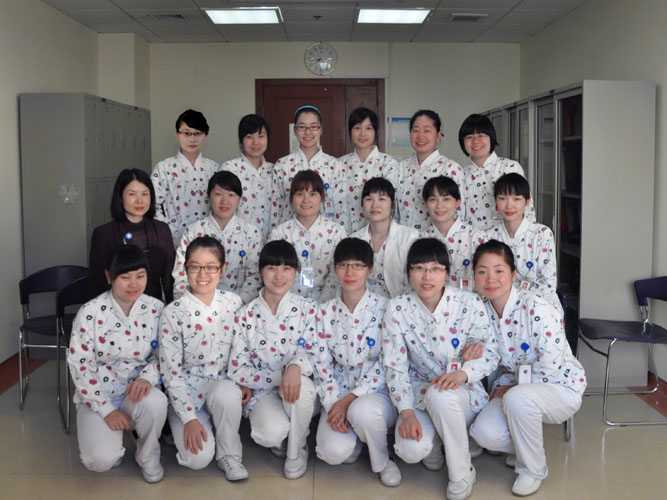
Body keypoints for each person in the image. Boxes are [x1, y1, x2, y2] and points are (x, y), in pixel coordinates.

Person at [382, 238, 499, 500]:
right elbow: (394, 365)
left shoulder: (469, 303)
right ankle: (435, 447)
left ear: (446, 272)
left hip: (463, 393)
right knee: (410, 450)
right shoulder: (397, 309)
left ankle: (461, 472)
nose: (427, 276)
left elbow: (491, 354)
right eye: (419, 268)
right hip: (418, 392)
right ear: (409, 272)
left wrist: (462, 374)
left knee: (440, 395)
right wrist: (406, 412)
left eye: (435, 269)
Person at [468, 240, 586, 497]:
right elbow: (490, 356)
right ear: (474, 276)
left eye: (499, 270)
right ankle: (526, 447)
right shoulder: (481, 313)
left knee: (518, 398)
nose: (491, 278)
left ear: (513, 274)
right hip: (514, 387)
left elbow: (552, 363)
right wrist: (470, 357)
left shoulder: (536, 306)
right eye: (482, 271)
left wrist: (514, 388)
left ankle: (533, 469)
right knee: (483, 433)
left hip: (560, 386)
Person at [67, 245, 167, 483]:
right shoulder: (90, 312)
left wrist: (147, 377)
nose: (134, 284)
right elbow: (80, 365)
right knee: (100, 461)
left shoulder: (157, 309)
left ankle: (148, 455)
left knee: (156, 402)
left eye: (140, 276)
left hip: (136, 391)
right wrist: (106, 409)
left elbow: (166, 355)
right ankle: (113, 446)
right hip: (98, 394)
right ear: (109, 276)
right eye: (125, 277)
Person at [228, 240, 319, 480]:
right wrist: (280, 377)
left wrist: (295, 367)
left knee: (300, 388)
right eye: (271, 268)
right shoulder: (245, 315)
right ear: (261, 270)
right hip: (263, 392)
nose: (279, 276)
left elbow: (317, 353)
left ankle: (296, 449)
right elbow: (237, 368)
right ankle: (284, 436)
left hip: (300, 387)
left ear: (296, 271)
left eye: (286, 268)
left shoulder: (309, 309)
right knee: (270, 433)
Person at [314, 238, 402, 487]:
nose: (350, 272)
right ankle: (359, 439)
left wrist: (350, 400)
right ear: (335, 269)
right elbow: (321, 364)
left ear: (370, 269)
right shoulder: (324, 312)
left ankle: (383, 460)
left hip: (376, 392)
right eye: (343, 265)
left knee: (362, 411)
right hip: (338, 391)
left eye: (357, 266)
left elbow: (388, 361)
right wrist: (334, 404)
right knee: (332, 452)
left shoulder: (386, 308)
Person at [159, 236, 248, 480]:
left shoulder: (233, 303)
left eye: (211, 267)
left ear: (223, 269)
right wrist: (188, 418)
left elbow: (243, 350)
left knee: (227, 393)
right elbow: (170, 372)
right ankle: (185, 425)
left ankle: (230, 454)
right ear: (185, 268)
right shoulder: (173, 313)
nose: (202, 274)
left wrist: (245, 381)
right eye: (195, 267)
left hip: (223, 386)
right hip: (187, 392)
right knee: (196, 459)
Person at [172, 171, 262, 304]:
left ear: (239, 199)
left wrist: (237, 305)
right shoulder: (193, 231)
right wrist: (195, 305)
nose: (225, 201)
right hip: (197, 306)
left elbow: (255, 276)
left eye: (231, 195)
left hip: (239, 307)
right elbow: (181, 274)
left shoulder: (251, 233)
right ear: (209, 196)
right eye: (218, 194)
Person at [88, 168, 175, 303]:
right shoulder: (103, 234)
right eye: (132, 194)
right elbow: (98, 283)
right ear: (120, 197)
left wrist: (172, 308)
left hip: (153, 307)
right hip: (116, 308)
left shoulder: (162, 230)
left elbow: (169, 277)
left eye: (145, 194)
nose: (140, 200)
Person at [484, 173, 560, 313]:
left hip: (537, 306)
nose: (509, 205)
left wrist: (514, 304)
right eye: (502, 198)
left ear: (527, 201)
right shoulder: (488, 237)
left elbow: (547, 285)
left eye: (516, 199)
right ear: (495, 202)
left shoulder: (542, 234)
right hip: (498, 305)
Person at [268, 170, 346, 302]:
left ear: (322, 198)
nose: (306, 200)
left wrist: (321, 306)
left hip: (327, 304)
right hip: (287, 302)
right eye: (299, 194)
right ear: (291, 198)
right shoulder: (279, 233)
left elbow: (337, 275)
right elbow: (271, 272)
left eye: (312, 194)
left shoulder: (337, 233)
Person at [151, 109, 220, 246]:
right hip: (174, 239)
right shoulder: (164, 168)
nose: (192, 139)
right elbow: (152, 204)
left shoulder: (214, 168)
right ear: (178, 134)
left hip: (209, 239)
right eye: (187, 133)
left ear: (205, 135)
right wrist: (167, 230)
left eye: (197, 133)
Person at [271, 105, 345, 227]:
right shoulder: (282, 165)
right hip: (290, 233)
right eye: (302, 127)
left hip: (326, 234)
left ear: (321, 129)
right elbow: (276, 209)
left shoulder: (336, 166)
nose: (308, 132)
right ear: (295, 130)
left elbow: (341, 210)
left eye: (313, 126)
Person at [458, 114, 535, 231]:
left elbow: (527, 209)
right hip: (471, 240)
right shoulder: (460, 175)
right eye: (469, 137)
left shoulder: (509, 167)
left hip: (506, 238)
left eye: (481, 135)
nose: (475, 141)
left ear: (491, 137)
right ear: (463, 142)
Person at [396, 110, 465, 231]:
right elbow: (394, 212)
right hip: (403, 239)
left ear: (438, 136)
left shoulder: (450, 168)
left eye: (427, 131)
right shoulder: (400, 168)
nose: (420, 136)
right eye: (415, 130)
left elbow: (459, 213)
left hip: (437, 240)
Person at [350, 177, 418, 298]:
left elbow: (415, 281)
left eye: (382, 199)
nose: (375, 205)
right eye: (369, 199)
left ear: (393, 204)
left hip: (400, 305)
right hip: (363, 306)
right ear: (362, 204)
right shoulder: (353, 240)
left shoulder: (410, 237)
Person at [338, 107, 400, 233]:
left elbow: (392, 203)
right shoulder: (339, 164)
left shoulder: (388, 163)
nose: (362, 134)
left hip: (380, 234)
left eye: (368, 128)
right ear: (350, 131)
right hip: (345, 234)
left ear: (376, 132)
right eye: (357, 128)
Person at [420, 176, 485, 288]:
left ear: (458, 202)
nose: (439, 206)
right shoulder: (420, 239)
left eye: (446, 199)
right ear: (426, 204)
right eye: (433, 199)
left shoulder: (477, 238)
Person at [221, 114, 274, 241]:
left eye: (261, 136)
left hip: (271, 243)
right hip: (237, 242)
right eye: (249, 137)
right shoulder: (230, 168)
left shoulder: (275, 170)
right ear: (241, 140)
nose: (256, 142)